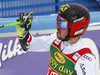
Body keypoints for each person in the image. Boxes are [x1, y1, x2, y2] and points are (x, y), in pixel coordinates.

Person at [16, 3, 96, 75]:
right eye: (57, 21)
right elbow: (30, 45)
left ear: (75, 29)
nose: (57, 26)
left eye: (62, 23)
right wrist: (22, 31)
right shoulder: (55, 38)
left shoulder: (85, 58)